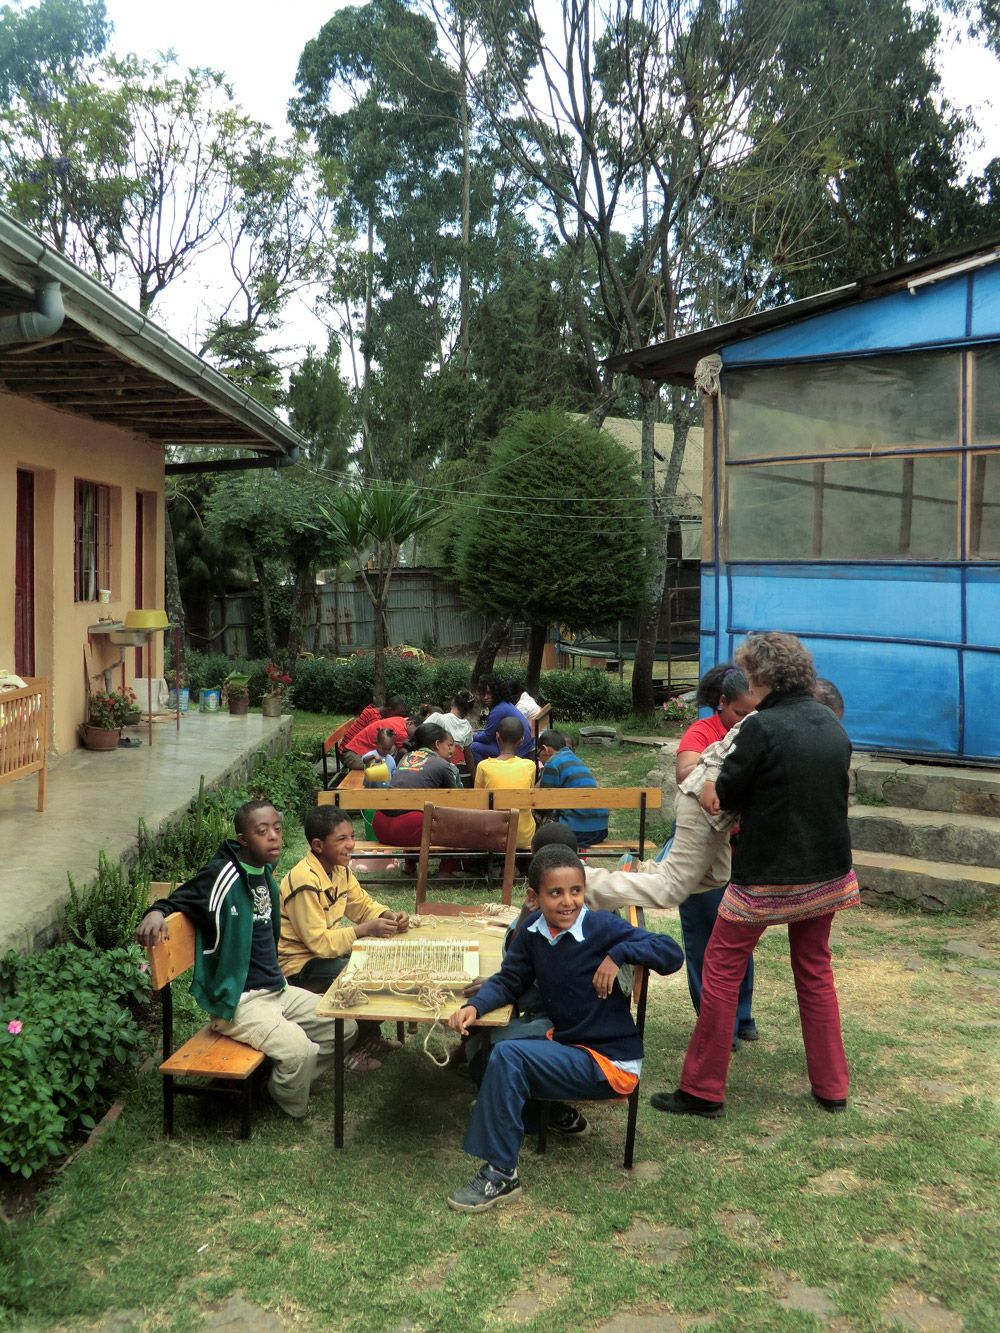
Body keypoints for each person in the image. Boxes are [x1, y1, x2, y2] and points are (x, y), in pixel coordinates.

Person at [651, 632, 859, 1120]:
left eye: (748, 673)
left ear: (762, 676)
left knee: (721, 967)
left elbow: (721, 795)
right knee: (815, 971)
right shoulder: (831, 725)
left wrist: (711, 787)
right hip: (828, 875)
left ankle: (702, 1090)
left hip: (766, 878)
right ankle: (832, 1087)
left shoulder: (760, 728)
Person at [445, 843, 684, 1212]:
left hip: (609, 1063)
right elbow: (509, 980)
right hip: (570, 1045)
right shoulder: (533, 933)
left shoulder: (601, 927)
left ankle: (501, 1174)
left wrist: (619, 954)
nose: (568, 901)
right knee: (497, 1047)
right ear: (534, 898)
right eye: (555, 893)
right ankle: (525, 1136)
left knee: (509, 1055)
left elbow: (671, 953)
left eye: (575, 891)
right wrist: (475, 1007)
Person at [135, 800, 354, 1118]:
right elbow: (180, 898)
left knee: (344, 1028)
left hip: (277, 989)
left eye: (277, 828)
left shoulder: (263, 872)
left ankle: (279, 1083)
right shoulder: (221, 875)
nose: (274, 836)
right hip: (241, 1001)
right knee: (301, 1051)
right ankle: (284, 1101)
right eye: (262, 831)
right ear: (243, 840)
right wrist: (156, 912)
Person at [585, 663, 758, 1048]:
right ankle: (585, 882)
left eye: (749, 712)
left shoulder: (754, 722)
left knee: (731, 925)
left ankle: (740, 1017)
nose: (743, 719)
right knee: (680, 903)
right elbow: (686, 773)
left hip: (728, 840)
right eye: (738, 713)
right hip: (702, 817)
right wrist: (716, 776)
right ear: (722, 703)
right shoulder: (707, 731)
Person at [278, 805, 408, 1072]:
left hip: (322, 956)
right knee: (360, 976)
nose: (351, 844)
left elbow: (362, 906)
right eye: (341, 839)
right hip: (298, 967)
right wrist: (364, 930)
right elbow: (319, 943)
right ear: (318, 845)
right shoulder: (304, 881)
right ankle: (353, 1048)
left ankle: (369, 1036)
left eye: (352, 836)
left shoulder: (340, 870)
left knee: (377, 963)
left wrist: (387, 915)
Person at [371, 720, 461, 850]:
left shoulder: (406, 757)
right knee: (452, 821)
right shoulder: (442, 765)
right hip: (410, 827)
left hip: (380, 824)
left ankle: (410, 861)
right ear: (437, 744)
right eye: (448, 745)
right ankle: (449, 863)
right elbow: (456, 802)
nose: (450, 750)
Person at [474, 714, 537, 849]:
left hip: (492, 837)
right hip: (523, 838)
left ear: (497, 736)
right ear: (521, 740)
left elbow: (478, 803)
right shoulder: (530, 766)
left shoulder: (484, 766)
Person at [536, 729, 608, 847]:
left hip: (578, 831)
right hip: (600, 830)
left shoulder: (552, 763)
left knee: (535, 813)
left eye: (538, 754)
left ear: (545, 749)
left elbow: (543, 804)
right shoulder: (576, 760)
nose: (540, 759)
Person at [469, 675, 535, 771]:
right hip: (526, 746)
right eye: (483, 694)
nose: (485, 697)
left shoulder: (498, 710)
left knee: (474, 747)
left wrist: (471, 736)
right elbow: (490, 732)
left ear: (496, 692)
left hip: (520, 751)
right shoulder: (505, 704)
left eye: (489, 693)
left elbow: (487, 737)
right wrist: (477, 733)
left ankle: (480, 775)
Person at [342, 710, 414, 768]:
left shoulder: (399, 719)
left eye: (387, 750)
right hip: (353, 757)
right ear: (411, 723)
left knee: (392, 749)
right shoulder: (401, 732)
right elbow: (403, 752)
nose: (414, 735)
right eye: (415, 731)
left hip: (353, 752)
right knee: (380, 765)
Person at [423, 689, 477, 765]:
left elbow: (419, 734)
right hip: (450, 767)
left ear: (452, 703)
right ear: (469, 710)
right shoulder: (467, 727)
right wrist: (474, 772)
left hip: (430, 763)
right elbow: (468, 755)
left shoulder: (438, 718)